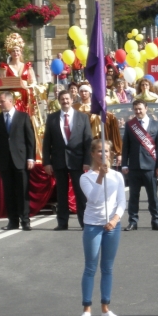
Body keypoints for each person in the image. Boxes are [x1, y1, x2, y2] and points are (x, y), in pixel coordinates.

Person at [79, 139, 126, 316]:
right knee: (90, 266)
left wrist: (115, 219)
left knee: (107, 267)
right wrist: (100, 177)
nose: (103, 154)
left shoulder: (117, 176)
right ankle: (87, 308)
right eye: (99, 151)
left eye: (106, 151)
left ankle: (105, 307)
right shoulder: (86, 177)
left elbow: (121, 201)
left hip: (112, 226)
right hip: (93, 225)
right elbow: (94, 199)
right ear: (92, 154)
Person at [42, 88, 92, 230]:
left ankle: (85, 223)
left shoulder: (82, 117)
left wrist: (87, 161)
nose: (65, 101)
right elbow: (47, 142)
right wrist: (47, 162)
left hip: (78, 162)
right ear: (59, 101)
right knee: (61, 194)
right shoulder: (52, 118)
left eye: (67, 99)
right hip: (59, 161)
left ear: (72, 100)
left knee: (81, 194)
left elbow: (88, 142)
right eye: (62, 99)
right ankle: (62, 223)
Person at [0, 91, 37, 231]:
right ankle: (13, 221)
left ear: (11, 101)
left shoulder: (23, 117)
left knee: (22, 192)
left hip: (20, 160)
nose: (0, 103)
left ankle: (25, 220)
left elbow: (30, 139)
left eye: (2, 101)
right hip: (4, 161)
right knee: (9, 192)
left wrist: (30, 157)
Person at [121, 99, 158, 230]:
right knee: (133, 196)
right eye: (136, 109)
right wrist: (124, 164)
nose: (138, 111)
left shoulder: (156, 125)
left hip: (150, 167)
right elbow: (126, 147)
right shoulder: (130, 125)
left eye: (140, 109)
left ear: (146, 108)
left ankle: (156, 220)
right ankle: (133, 221)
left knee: (153, 196)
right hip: (134, 166)